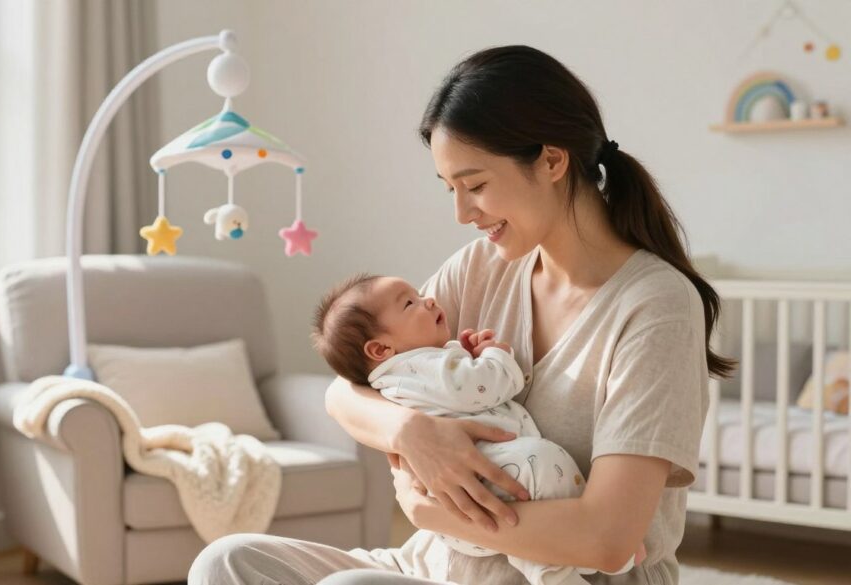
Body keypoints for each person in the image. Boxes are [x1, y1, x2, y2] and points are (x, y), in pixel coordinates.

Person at [188, 44, 734, 585]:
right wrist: (411, 432)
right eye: (450, 189)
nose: (461, 212)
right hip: (437, 567)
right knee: (227, 562)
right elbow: (345, 391)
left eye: (475, 186)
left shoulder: (656, 305)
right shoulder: (481, 267)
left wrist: (428, 512)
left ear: (551, 160)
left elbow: (608, 539)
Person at [309, 272, 643, 584]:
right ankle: (579, 558)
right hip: (479, 486)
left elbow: (450, 385)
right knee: (543, 463)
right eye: (410, 303)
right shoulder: (419, 367)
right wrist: (496, 356)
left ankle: (571, 560)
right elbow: (483, 385)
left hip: (458, 512)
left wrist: (460, 355)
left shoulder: (401, 374)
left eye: (419, 294)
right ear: (381, 349)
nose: (428, 300)